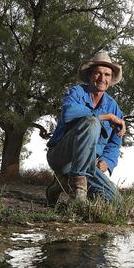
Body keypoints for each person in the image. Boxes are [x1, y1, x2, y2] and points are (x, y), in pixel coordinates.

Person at [45, 51, 126, 204]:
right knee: (92, 123)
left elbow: (115, 143)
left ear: (111, 79)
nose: (102, 78)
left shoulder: (114, 108)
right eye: (98, 73)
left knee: (116, 202)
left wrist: (107, 161)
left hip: (88, 162)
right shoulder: (76, 92)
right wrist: (105, 117)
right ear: (90, 75)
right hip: (62, 157)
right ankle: (78, 192)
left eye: (107, 75)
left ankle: (59, 185)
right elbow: (68, 114)